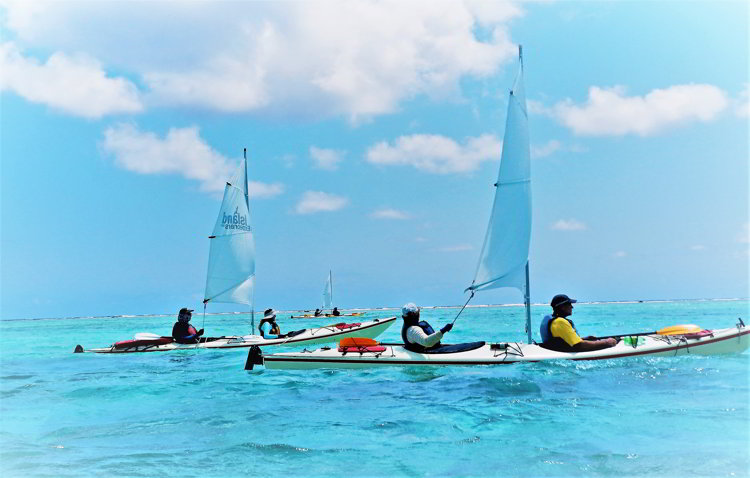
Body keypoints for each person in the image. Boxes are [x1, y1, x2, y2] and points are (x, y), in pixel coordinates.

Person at [539, 294, 617, 352]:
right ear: (562, 307)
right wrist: (607, 342)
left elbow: (562, 340)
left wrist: (585, 339)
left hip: (553, 349)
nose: (572, 307)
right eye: (569, 304)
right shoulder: (560, 322)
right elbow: (579, 345)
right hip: (561, 353)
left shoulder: (553, 320)